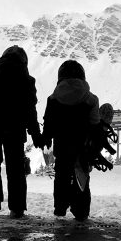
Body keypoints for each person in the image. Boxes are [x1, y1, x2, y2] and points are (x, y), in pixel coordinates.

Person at [0, 45, 42, 218]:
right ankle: (17, 207)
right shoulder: (27, 79)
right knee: (16, 167)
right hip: (15, 128)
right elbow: (30, 109)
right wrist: (35, 132)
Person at [41, 60, 100, 221]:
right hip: (82, 147)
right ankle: (81, 211)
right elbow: (95, 124)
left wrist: (45, 139)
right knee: (82, 177)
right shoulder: (91, 99)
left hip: (62, 145)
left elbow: (49, 124)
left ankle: (60, 207)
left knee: (61, 174)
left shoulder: (53, 99)